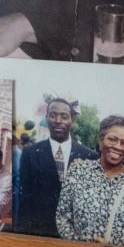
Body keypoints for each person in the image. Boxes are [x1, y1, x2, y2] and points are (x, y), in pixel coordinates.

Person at [55, 115, 124, 247]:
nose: (118, 147)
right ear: (101, 140)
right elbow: (63, 217)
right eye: (112, 139)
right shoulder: (78, 171)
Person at [15, 97, 98, 237]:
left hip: (76, 234)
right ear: (46, 117)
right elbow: (24, 200)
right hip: (41, 232)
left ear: (73, 119)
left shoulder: (89, 156)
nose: (58, 120)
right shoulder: (30, 153)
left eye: (64, 116)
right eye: (53, 115)